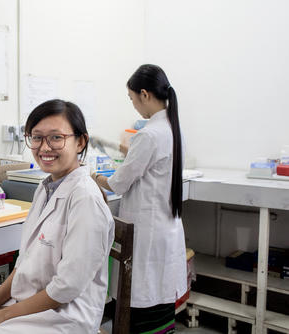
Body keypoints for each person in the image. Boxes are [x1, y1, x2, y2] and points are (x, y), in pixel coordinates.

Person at [0, 99, 114, 334]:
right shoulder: (46, 188)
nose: (44, 147)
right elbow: (25, 262)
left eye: (56, 137)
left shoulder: (85, 199)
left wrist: (1, 316)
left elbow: (65, 289)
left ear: (80, 142)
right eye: (37, 137)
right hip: (28, 299)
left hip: (65, 316)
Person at [92, 64, 187, 334]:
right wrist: (111, 145)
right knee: (159, 297)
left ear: (144, 94)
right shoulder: (172, 127)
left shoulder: (150, 134)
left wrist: (93, 177)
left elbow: (118, 183)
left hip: (147, 234)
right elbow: (142, 153)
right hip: (165, 229)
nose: (133, 105)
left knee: (141, 299)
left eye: (132, 98)